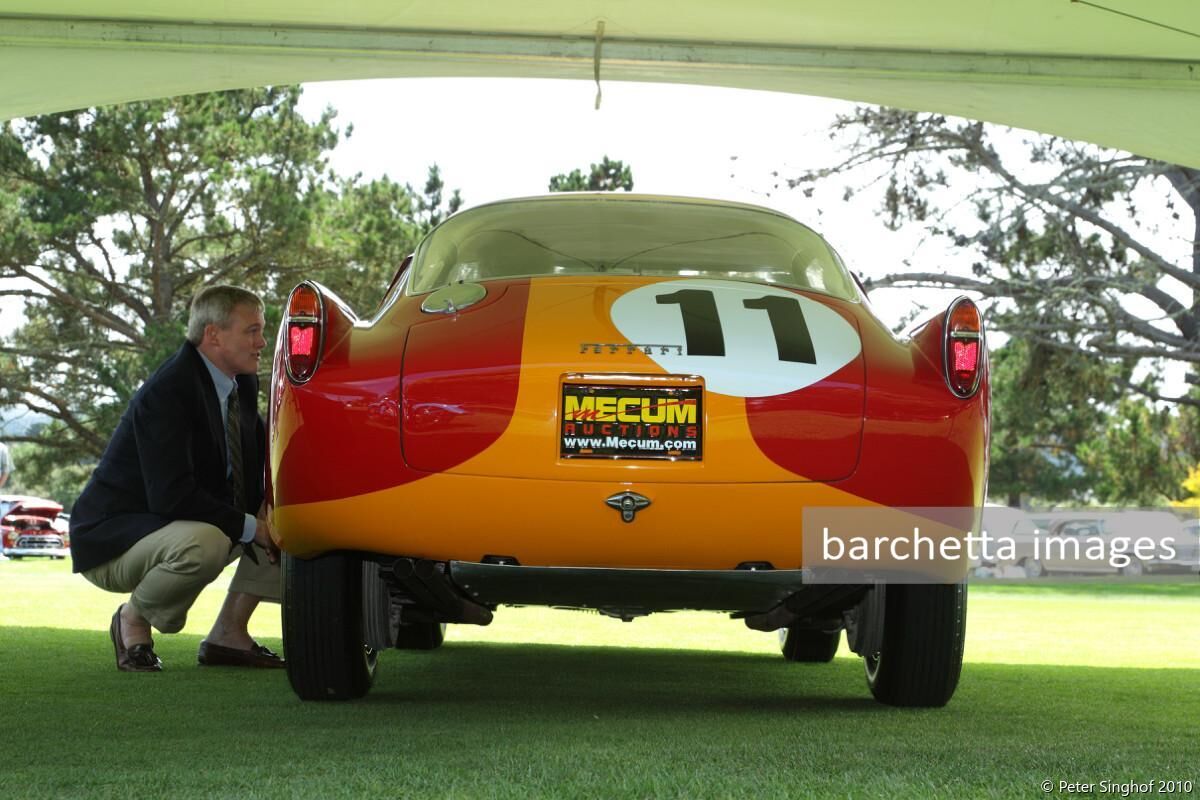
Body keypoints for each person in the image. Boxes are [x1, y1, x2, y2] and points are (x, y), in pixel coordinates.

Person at [70, 285, 284, 672]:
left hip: (176, 527)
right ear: (213, 334)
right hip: (113, 541)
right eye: (251, 330)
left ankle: (228, 634)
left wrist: (273, 518)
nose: (262, 342)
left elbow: (257, 468)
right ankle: (132, 620)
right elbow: (171, 497)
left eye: (261, 331)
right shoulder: (169, 390)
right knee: (207, 542)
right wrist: (255, 528)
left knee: (289, 514)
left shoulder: (242, 383)